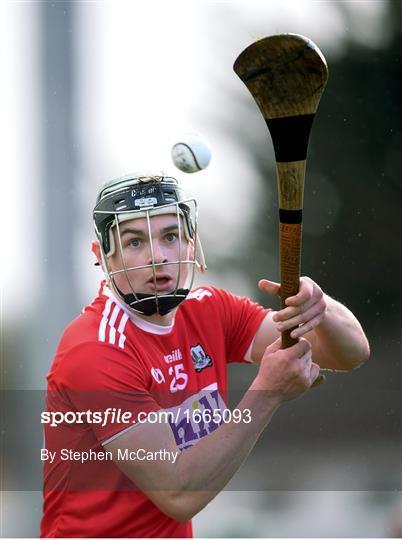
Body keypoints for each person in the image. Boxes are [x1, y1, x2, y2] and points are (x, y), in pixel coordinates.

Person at [40, 172, 369, 538]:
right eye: (135, 242)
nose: (157, 256)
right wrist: (267, 393)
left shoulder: (210, 310)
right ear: (103, 256)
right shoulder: (95, 350)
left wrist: (320, 309)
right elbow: (178, 492)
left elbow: (350, 353)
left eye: (170, 236)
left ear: (190, 243)